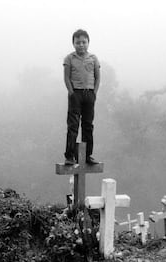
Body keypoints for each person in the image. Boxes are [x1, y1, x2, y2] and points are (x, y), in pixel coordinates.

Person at [63, 29, 101, 165]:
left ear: (88, 43)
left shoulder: (93, 58)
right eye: (78, 42)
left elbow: (97, 77)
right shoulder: (69, 58)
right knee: (73, 125)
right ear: (73, 43)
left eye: (84, 42)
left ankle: (87, 155)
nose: (81, 45)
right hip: (76, 94)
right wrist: (71, 92)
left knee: (88, 125)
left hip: (89, 94)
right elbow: (66, 77)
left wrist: (94, 93)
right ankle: (69, 156)